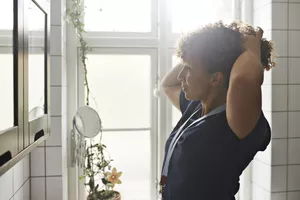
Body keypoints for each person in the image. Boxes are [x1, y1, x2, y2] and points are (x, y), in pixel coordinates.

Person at [160, 21, 275, 200]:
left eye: (188, 68)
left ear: (216, 78)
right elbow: (167, 85)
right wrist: (199, 48)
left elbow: (244, 78)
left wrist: (251, 50)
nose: (181, 76)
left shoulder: (237, 122)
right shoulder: (197, 106)